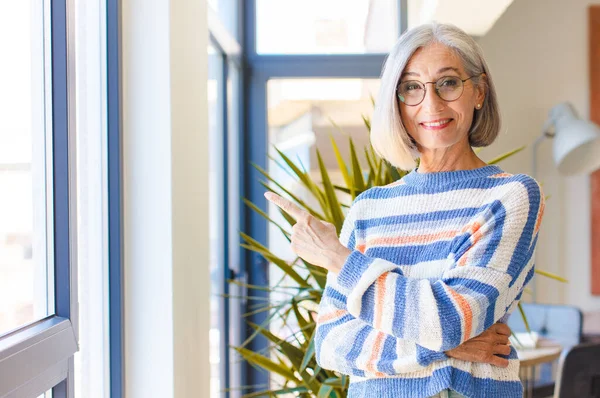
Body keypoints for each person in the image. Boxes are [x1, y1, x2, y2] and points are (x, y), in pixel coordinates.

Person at [265, 22, 545, 398]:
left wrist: (337, 257)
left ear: (478, 92)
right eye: (411, 87)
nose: (430, 104)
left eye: (448, 83)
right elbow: (331, 343)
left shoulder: (510, 196)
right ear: (395, 103)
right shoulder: (369, 208)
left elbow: (448, 319)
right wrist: (444, 347)